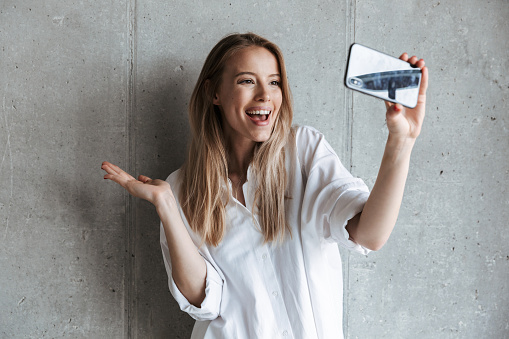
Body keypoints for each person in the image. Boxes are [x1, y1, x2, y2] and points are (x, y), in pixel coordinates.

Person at [101, 32, 428, 339]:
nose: (265, 96)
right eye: (247, 81)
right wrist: (167, 207)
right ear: (213, 92)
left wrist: (401, 140)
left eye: (274, 82)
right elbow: (203, 302)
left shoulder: (304, 151)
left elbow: (369, 234)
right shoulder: (182, 187)